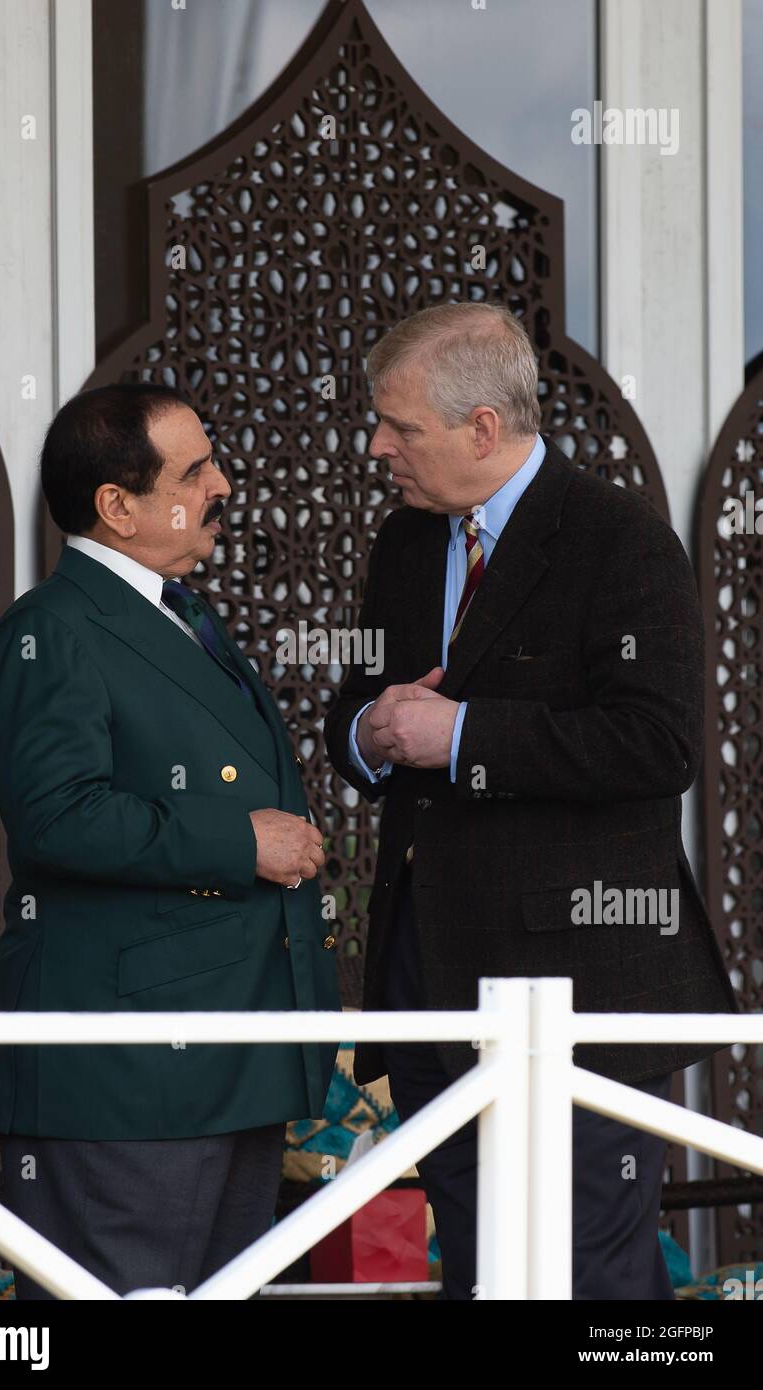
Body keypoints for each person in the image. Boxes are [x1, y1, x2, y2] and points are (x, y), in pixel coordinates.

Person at [324, 302, 741, 1300]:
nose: (377, 446)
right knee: (481, 1268)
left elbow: (655, 742)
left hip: (580, 986)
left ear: (481, 428)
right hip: (429, 981)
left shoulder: (620, 540)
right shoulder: (405, 543)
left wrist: (461, 734)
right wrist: (369, 734)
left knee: (583, 1274)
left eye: (400, 427)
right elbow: (364, 706)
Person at [0, 383, 340, 1297]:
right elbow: (57, 817)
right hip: (128, 1073)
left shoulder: (175, 612)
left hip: (228, 1053)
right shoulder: (51, 631)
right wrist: (237, 841)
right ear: (117, 506)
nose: (222, 484)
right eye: (197, 469)